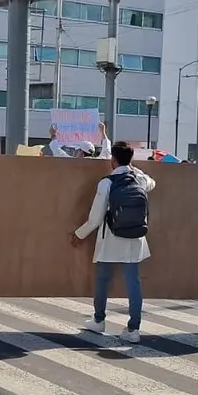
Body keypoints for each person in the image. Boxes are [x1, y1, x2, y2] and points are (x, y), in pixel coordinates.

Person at [73, 141, 156, 343]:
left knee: (103, 279)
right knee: (133, 283)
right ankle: (133, 329)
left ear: (113, 160)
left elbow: (95, 218)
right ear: (130, 159)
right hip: (135, 238)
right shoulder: (140, 180)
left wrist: (79, 234)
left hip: (111, 238)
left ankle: (99, 320)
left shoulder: (106, 183)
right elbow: (152, 182)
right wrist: (134, 169)